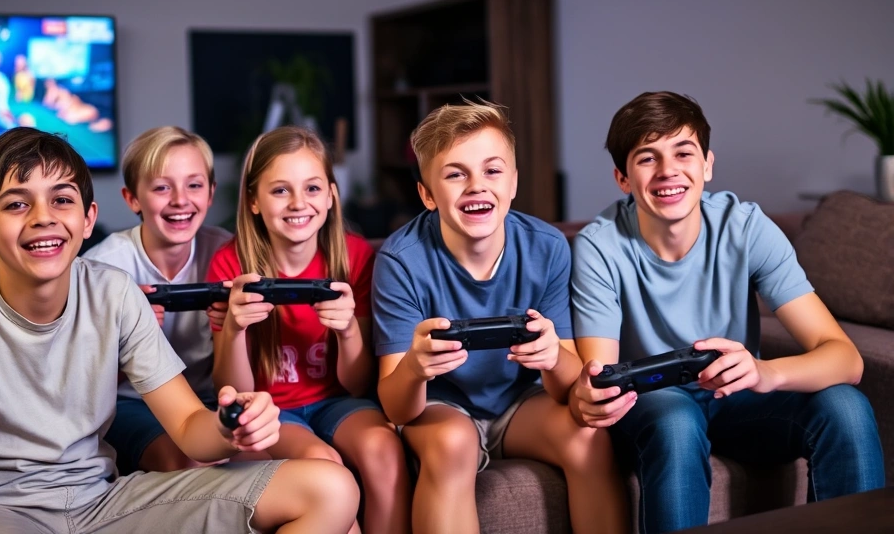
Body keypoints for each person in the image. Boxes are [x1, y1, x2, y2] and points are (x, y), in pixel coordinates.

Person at [0, 127, 358, 534]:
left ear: (87, 218)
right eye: (16, 204)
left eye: (62, 200)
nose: (43, 217)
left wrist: (230, 425)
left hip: (103, 502)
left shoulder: (115, 292)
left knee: (331, 488)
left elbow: (191, 429)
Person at [568, 91, 885, 534]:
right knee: (677, 421)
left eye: (683, 152)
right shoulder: (598, 247)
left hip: (739, 399)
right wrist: (589, 395)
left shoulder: (747, 227)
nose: (668, 171)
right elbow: (600, 374)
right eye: (647, 159)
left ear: (707, 165)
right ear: (622, 178)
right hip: (655, 404)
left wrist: (764, 372)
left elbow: (844, 359)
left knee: (845, 406)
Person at [372, 100, 628, 534]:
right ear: (428, 195)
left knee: (588, 439)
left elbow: (568, 388)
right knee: (453, 443)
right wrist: (415, 368)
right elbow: (396, 407)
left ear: (513, 181)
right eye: (456, 174)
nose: (477, 186)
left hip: (520, 404)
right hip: (443, 406)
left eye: (492, 171)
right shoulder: (400, 260)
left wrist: (552, 358)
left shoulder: (547, 247)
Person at [209, 126, 411, 534]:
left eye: (313, 188)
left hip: (337, 400)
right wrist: (233, 330)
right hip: (270, 408)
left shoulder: (356, 257)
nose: (299, 203)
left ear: (332, 195)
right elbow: (233, 391)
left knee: (384, 448)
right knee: (324, 463)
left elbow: (357, 386)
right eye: (280, 190)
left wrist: (349, 331)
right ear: (253, 201)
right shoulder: (231, 264)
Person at [84, 125, 231, 473]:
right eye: (162, 187)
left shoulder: (228, 254)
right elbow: (82, 382)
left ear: (210, 193)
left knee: (266, 460)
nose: (180, 200)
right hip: (131, 403)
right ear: (132, 198)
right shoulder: (102, 268)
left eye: (194, 185)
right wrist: (129, 338)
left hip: (209, 399)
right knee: (189, 460)